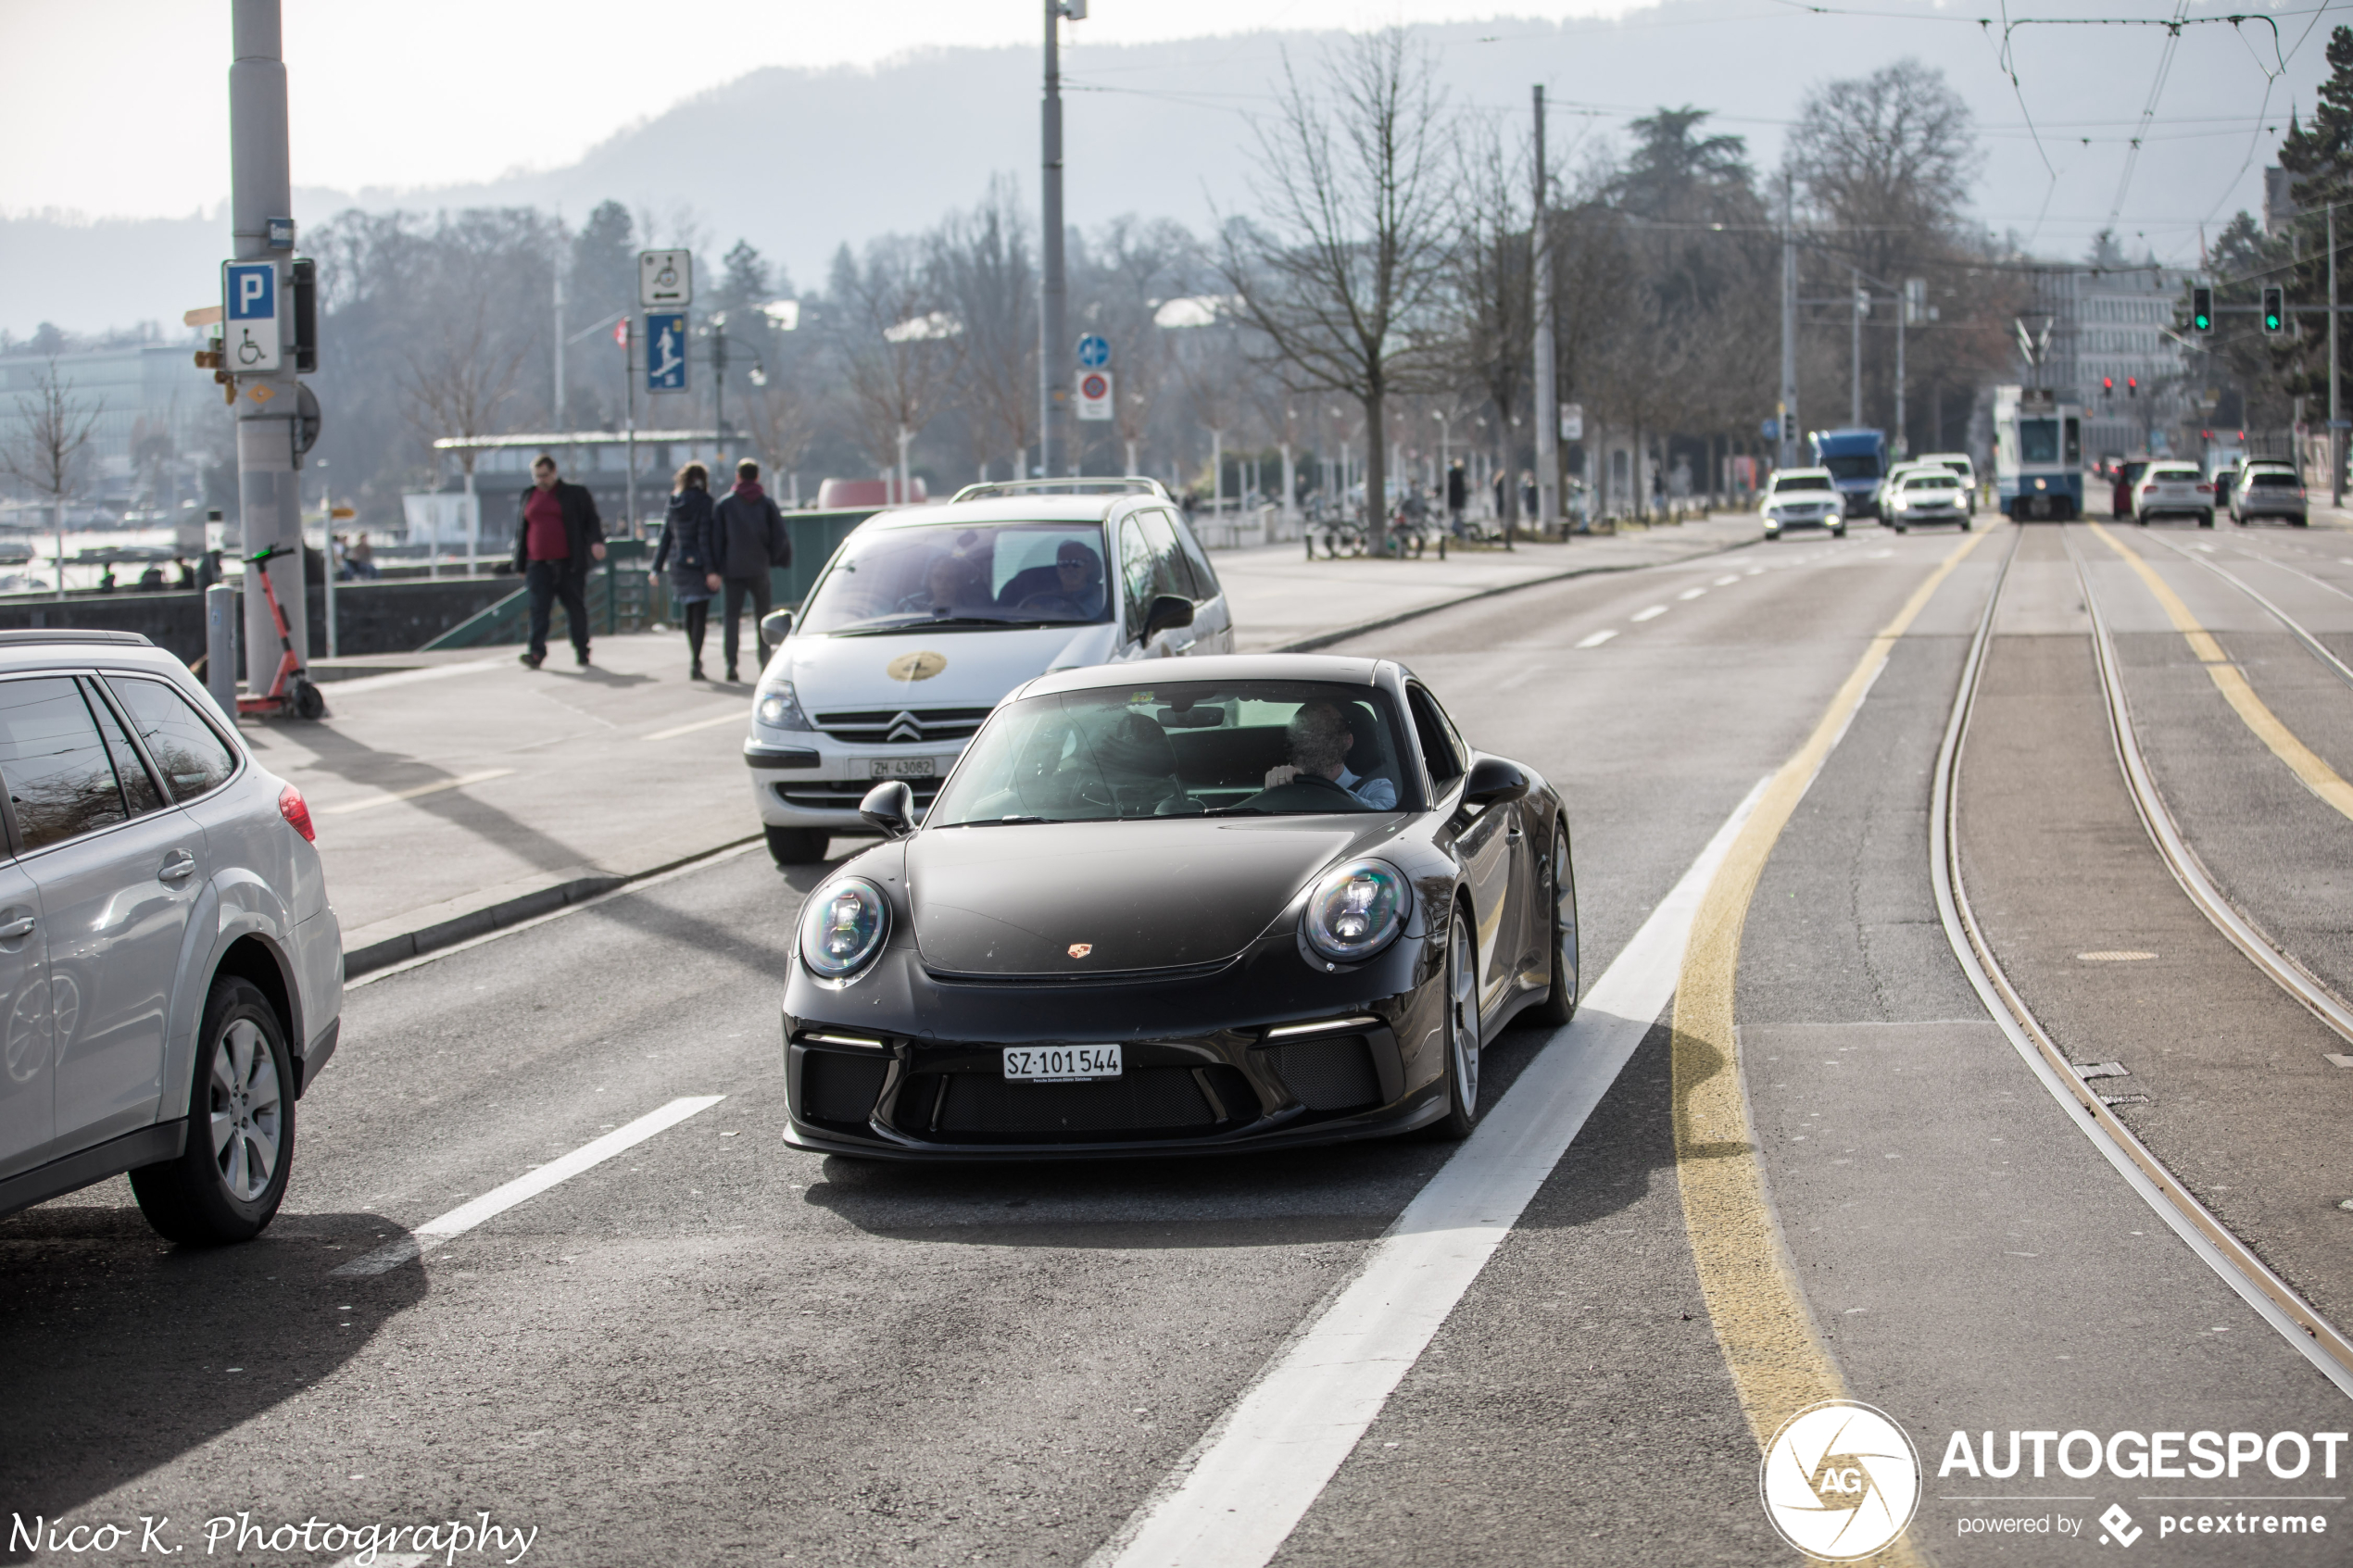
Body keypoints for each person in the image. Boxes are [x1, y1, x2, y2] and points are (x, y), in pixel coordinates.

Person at [512, 452, 607, 670]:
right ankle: (536, 652)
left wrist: (596, 542)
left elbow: (591, 520)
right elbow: (522, 531)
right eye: (536, 476)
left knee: (575, 608)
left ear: (554, 472)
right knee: (538, 609)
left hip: (568, 564)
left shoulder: (575, 494)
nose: (540, 481)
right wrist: (519, 564)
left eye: (544, 475)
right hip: (537, 564)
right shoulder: (528, 495)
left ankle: (582, 650)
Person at [711, 458, 791, 682]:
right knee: (763, 619)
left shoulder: (724, 505)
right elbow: (780, 537)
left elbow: (717, 540)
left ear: (738, 477)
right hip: (759, 567)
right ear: (757, 477)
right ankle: (764, 663)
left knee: (731, 618)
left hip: (733, 569)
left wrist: (717, 568)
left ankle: (731, 665)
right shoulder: (766, 504)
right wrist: (771, 558)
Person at [653, 462, 723, 679]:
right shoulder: (705, 502)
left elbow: (665, 537)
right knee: (700, 615)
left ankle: (695, 658)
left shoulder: (674, 502)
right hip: (701, 566)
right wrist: (711, 570)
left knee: (689, 614)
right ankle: (696, 661)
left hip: (678, 565)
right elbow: (704, 538)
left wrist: (656, 567)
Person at [1262, 701, 1396, 809]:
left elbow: (1390, 812)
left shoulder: (1374, 787)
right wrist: (1275, 790)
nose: (1310, 743)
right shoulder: (1285, 787)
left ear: (1347, 741)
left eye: (1321, 735)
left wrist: (1320, 790)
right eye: (1301, 736)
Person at [998, 539, 1106, 618]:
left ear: (1089, 567)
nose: (1070, 568)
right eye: (1063, 563)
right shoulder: (1040, 598)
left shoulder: (1104, 597)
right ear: (1057, 569)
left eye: (1077, 562)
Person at [1445, 459, 1467, 536]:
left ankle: (1458, 532)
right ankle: (1457, 531)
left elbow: (1450, 485)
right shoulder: (1461, 474)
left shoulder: (1455, 474)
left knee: (1456, 516)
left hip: (1455, 500)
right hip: (1458, 500)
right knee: (1457, 516)